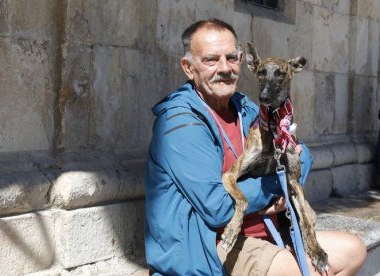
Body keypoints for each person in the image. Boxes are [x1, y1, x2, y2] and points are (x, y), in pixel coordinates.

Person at [144, 18, 366, 276]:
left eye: (231, 58)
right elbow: (217, 208)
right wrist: (277, 188)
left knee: (353, 251)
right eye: (211, 60)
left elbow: (301, 155)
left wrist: (278, 190)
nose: (224, 68)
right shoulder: (179, 124)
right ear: (188, 67)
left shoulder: (245, 107)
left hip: (265, 230)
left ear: (241, 60)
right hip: (208, 245)